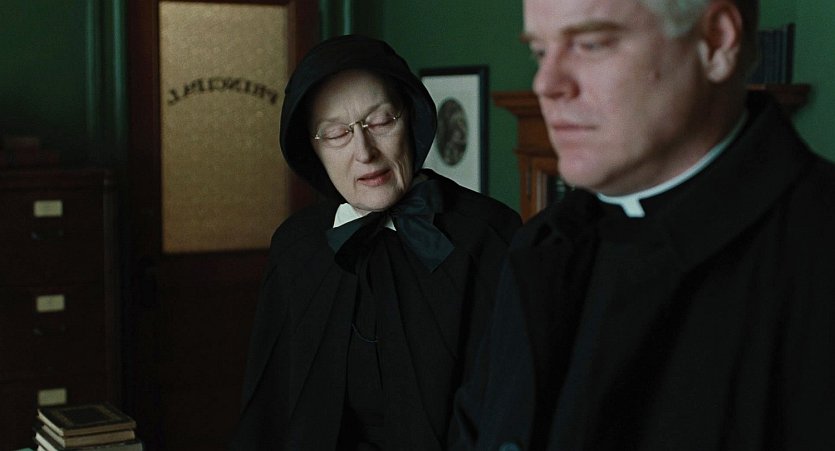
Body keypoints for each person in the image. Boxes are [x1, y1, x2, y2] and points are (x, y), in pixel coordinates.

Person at [452, 0, 835, 449]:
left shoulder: (818, 251)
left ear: (716, 42)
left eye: (591, 44)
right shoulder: (537, 246)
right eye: (539, 51)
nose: (545, 84)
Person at [228, 35, 521, 450]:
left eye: (381, 122)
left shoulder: (490, 235)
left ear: (410, 118)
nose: (364, 152)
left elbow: (512, 411)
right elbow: (270, 416)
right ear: (313, 149)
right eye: (336, 133)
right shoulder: (296, 248)